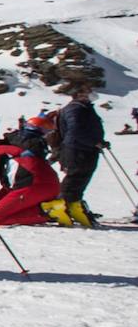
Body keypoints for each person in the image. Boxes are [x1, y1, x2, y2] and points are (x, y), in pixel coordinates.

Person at [56, 83, 107, 227]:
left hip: (84, 149)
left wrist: (98, 142)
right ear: (79, 94)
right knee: (74, 181)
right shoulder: (75, 109)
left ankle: (73, 209)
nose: (92, 94)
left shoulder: (83, 108)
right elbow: (75, 131)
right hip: (77, 150)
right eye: (88, 91)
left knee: (79, 182)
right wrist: (94, 142)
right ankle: (63, 210)